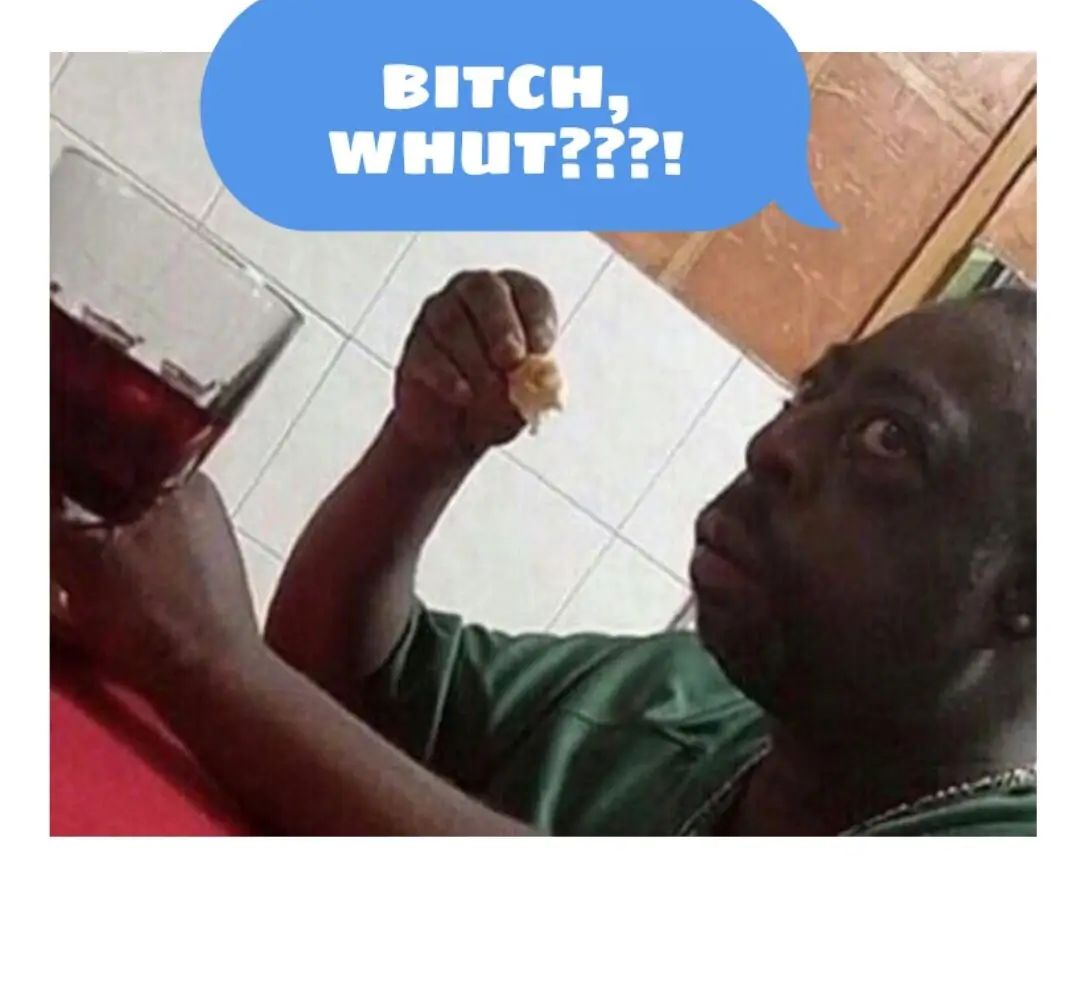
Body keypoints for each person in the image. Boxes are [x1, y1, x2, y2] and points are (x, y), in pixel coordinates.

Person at [50, 270, 1036, 835]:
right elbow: (335, 690)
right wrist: (423, 451)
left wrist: (201, 656)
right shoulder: (678, 699)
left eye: (889, 440)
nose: (775, 444)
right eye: (814, 391)